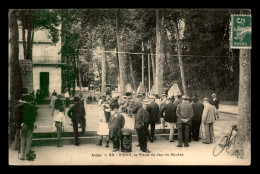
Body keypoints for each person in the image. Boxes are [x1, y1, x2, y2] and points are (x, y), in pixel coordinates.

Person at [15, 94, 36, 160]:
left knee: (23, 140)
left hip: (23, 125)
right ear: (29, 100)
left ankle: (22, 156)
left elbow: (18, 117)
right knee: (29, 140)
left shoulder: (19, 106)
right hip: (29, 125)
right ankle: (28, 155)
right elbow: (33, 117)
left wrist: (21, 123)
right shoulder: (31, 106)